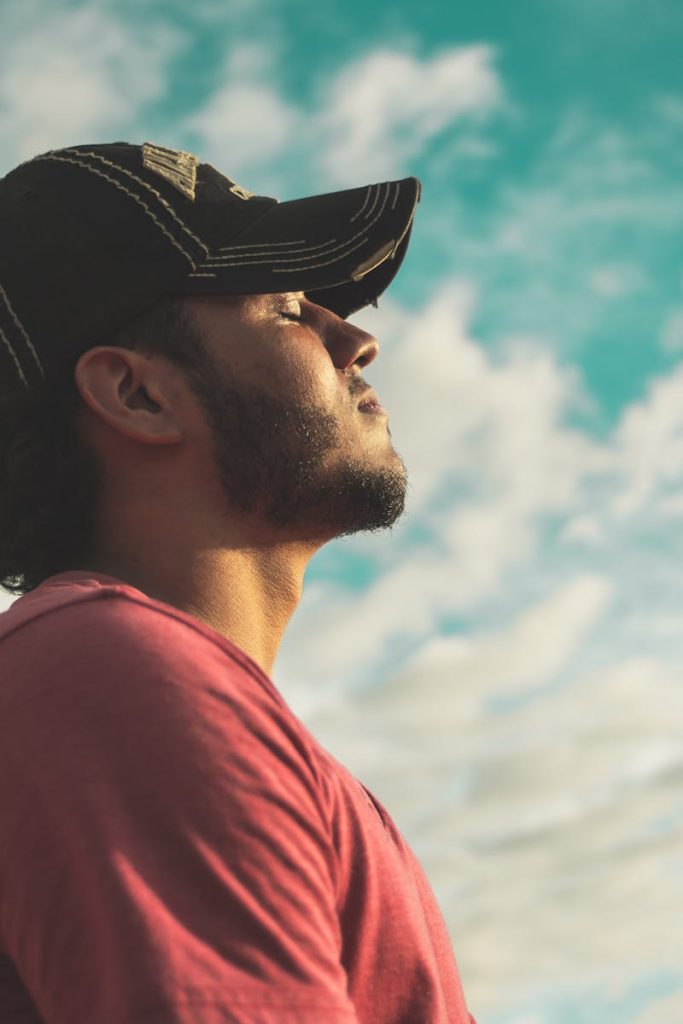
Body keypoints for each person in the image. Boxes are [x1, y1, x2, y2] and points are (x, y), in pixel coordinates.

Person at [0, 141, 477, 1023]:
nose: (357, 338)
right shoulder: (110, 675)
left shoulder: (134, 684)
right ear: (138, 396)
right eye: (289, 306)